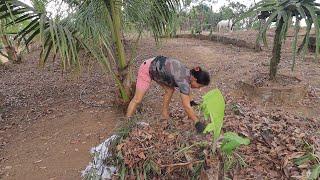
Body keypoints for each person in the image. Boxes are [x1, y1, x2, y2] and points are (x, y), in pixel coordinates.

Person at [126, 55, 210, 133]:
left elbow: (187, 91)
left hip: (156, 67)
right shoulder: (183, 80)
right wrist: (197, 122)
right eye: (199, 86)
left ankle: (164, 114)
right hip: (147, 68)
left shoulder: (188, 73)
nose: (199, 88)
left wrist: (191, 101)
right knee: (137, 99)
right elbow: (186, 106)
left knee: (170, 90)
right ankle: (127, 122)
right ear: (195, 79)